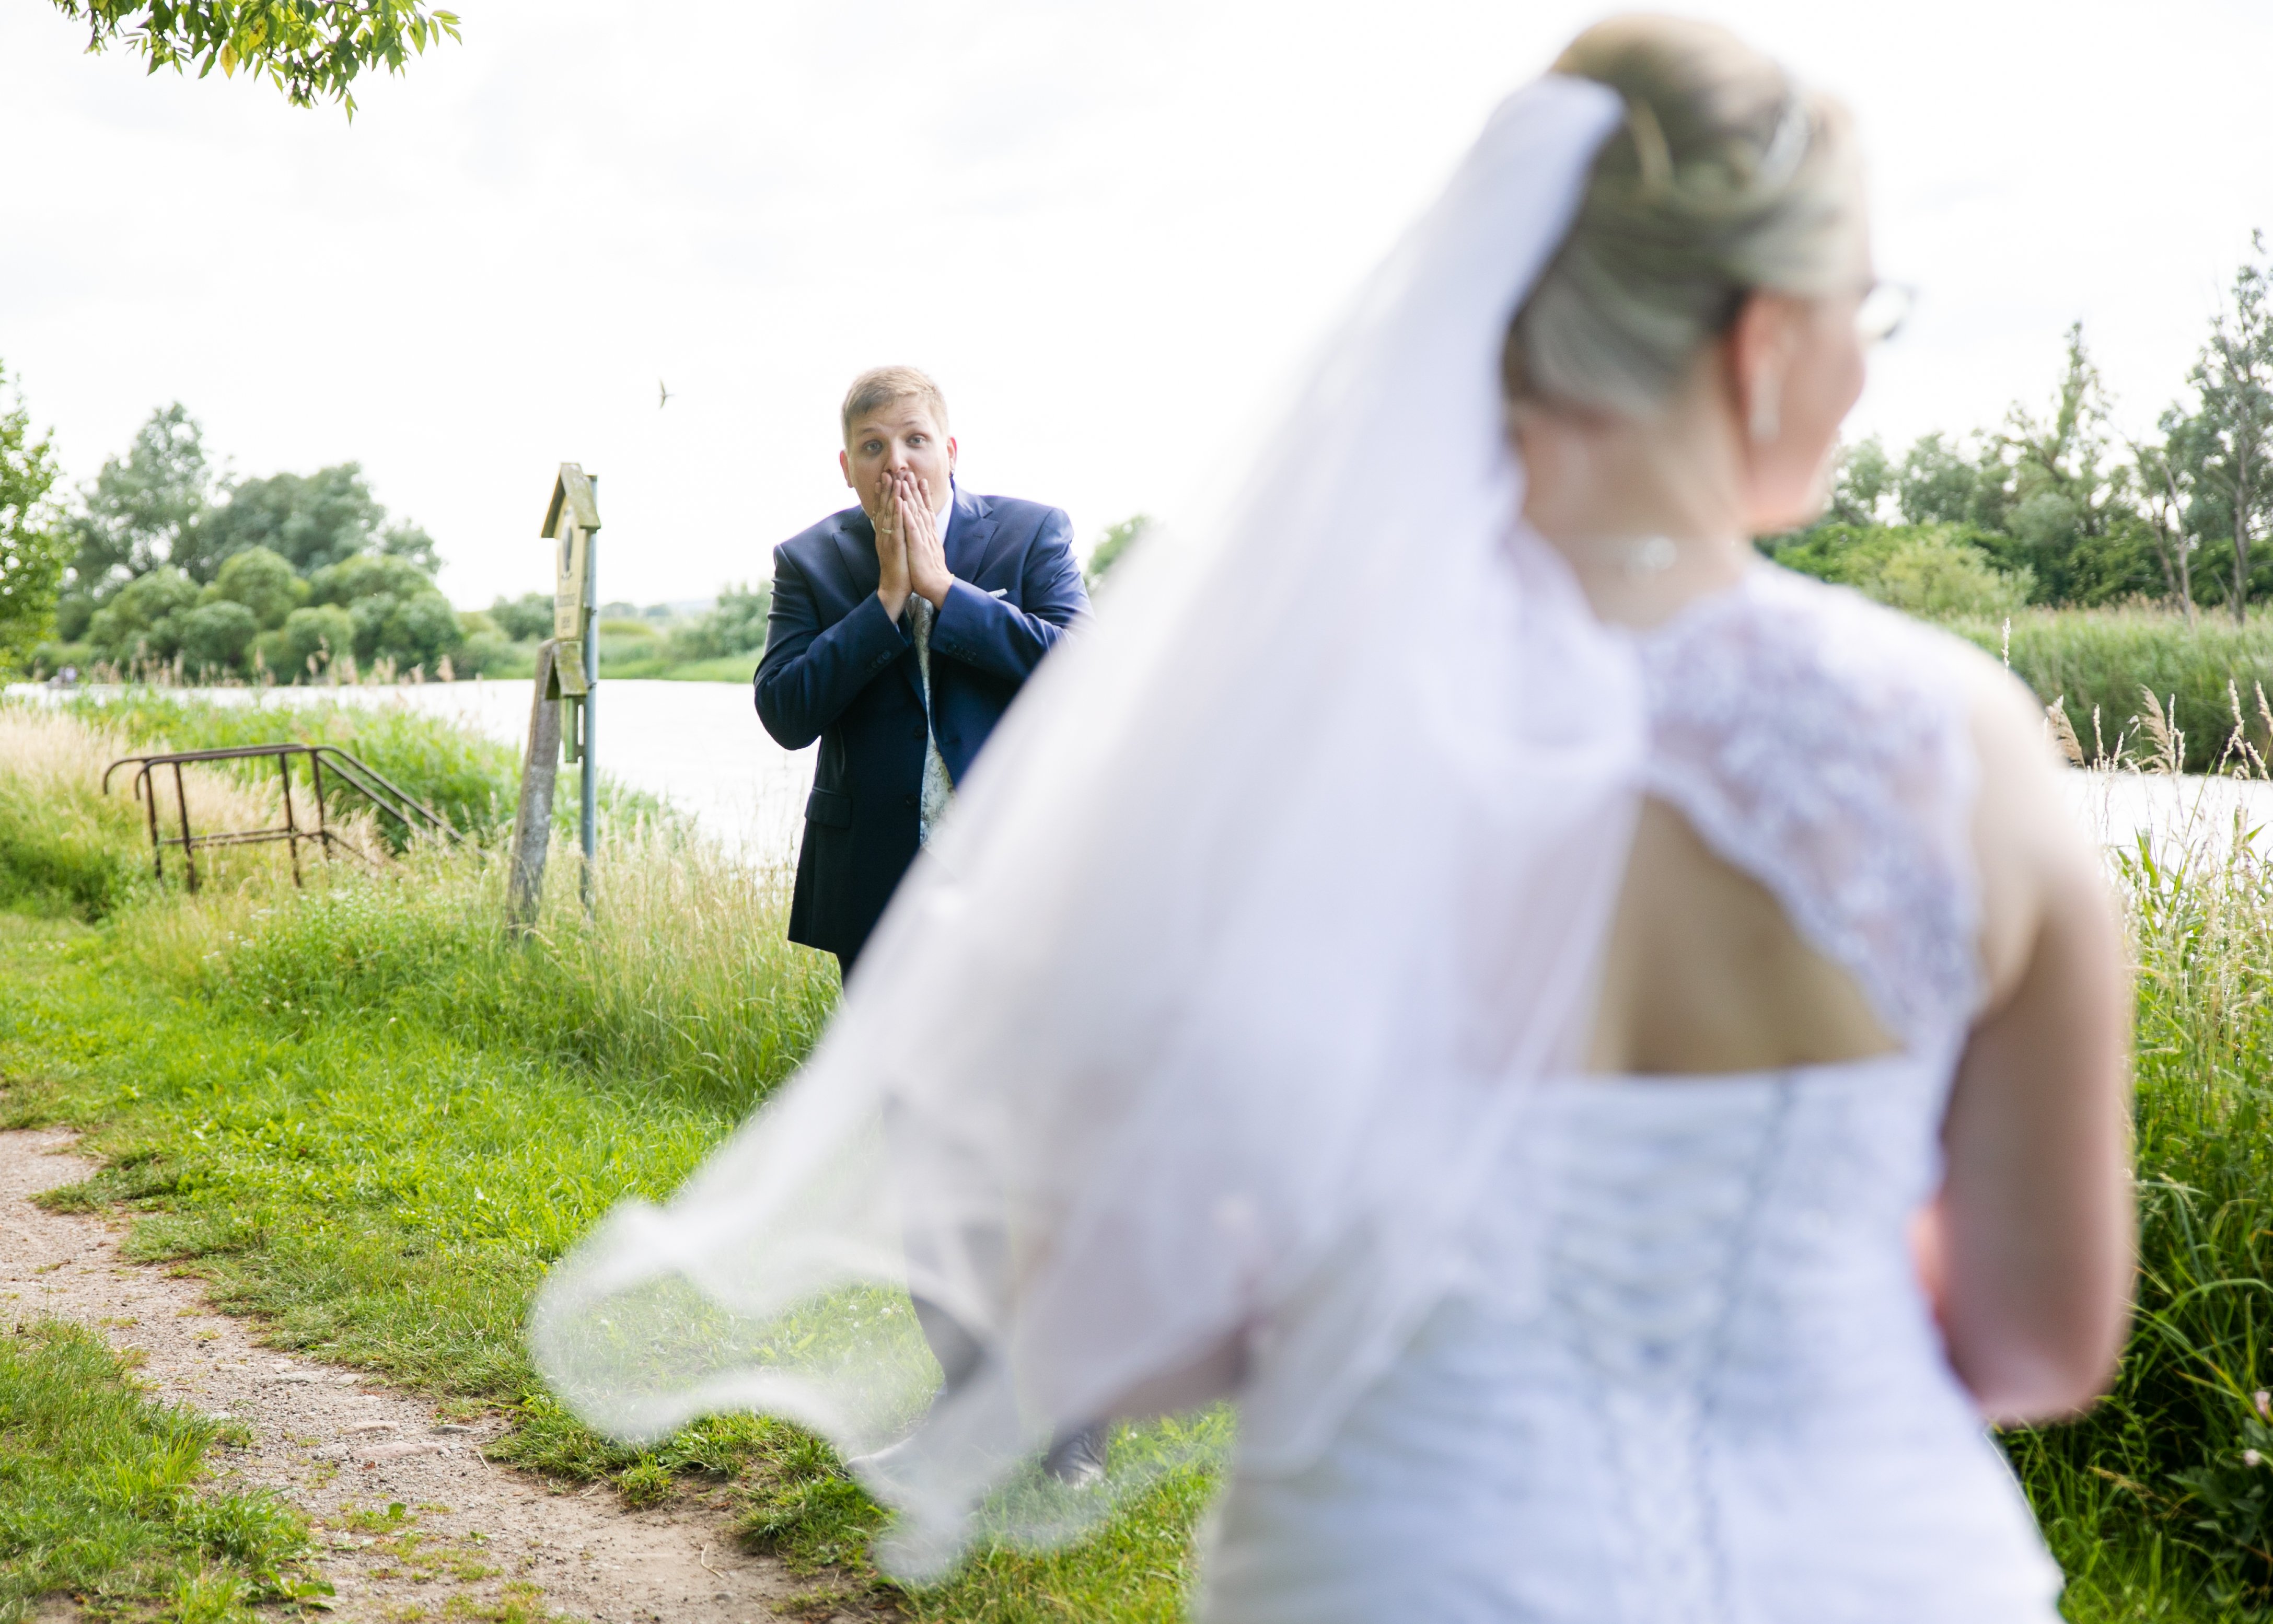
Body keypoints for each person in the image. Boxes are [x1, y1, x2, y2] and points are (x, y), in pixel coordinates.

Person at [535, 17, 2131, 1618]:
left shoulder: (1283, 728)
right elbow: (2041, 1337)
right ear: (1761, 339)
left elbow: (1133, 1328)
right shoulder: (1955, 743)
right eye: (1866, 308)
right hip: (1868, 1563)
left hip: (1401, 1554)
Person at [753, 366, 1089, 972]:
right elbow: (785, 713)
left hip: (1013, 858)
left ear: (950, 451)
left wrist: (944, 590)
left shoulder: (1033, 531)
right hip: (869, 874)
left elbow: (1085, 670)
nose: (896, 463)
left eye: (916, 440)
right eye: (872, 446)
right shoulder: (807, 560)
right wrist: (885, 598)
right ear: (847, 467)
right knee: (885, 1067)